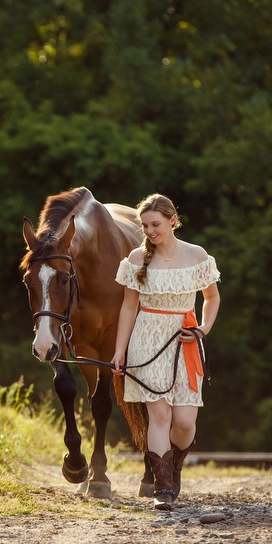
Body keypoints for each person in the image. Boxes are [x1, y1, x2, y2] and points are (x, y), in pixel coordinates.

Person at [110, 193, 220, 511]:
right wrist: (120, 351)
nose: (150, 231)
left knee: (184, 423)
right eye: (145, 226)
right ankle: (163, 489)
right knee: (159, 415)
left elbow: (212, 297)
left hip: (185, 339)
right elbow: (129, 307)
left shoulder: (197, 256)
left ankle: (174, 468)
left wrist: (203, 329)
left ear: (173, 220)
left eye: (155, 224)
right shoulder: (135, 259)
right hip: (147, 339)